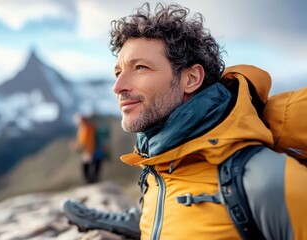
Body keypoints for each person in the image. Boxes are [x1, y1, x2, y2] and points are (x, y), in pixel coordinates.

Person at [63, 2, 307, 239]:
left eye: (140, 68)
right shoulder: (156, 167)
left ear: (191, 79)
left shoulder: (267, 180)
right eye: (118, 72)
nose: (118, 86)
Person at [71, 113, 105, 184]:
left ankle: (91, 185)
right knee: (93, 171)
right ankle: (93, 184)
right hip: (97, 152)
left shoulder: (88, 129)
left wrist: (89, 154)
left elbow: (88, 142)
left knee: (89, 171)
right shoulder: (87, 128)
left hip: (93, 153)